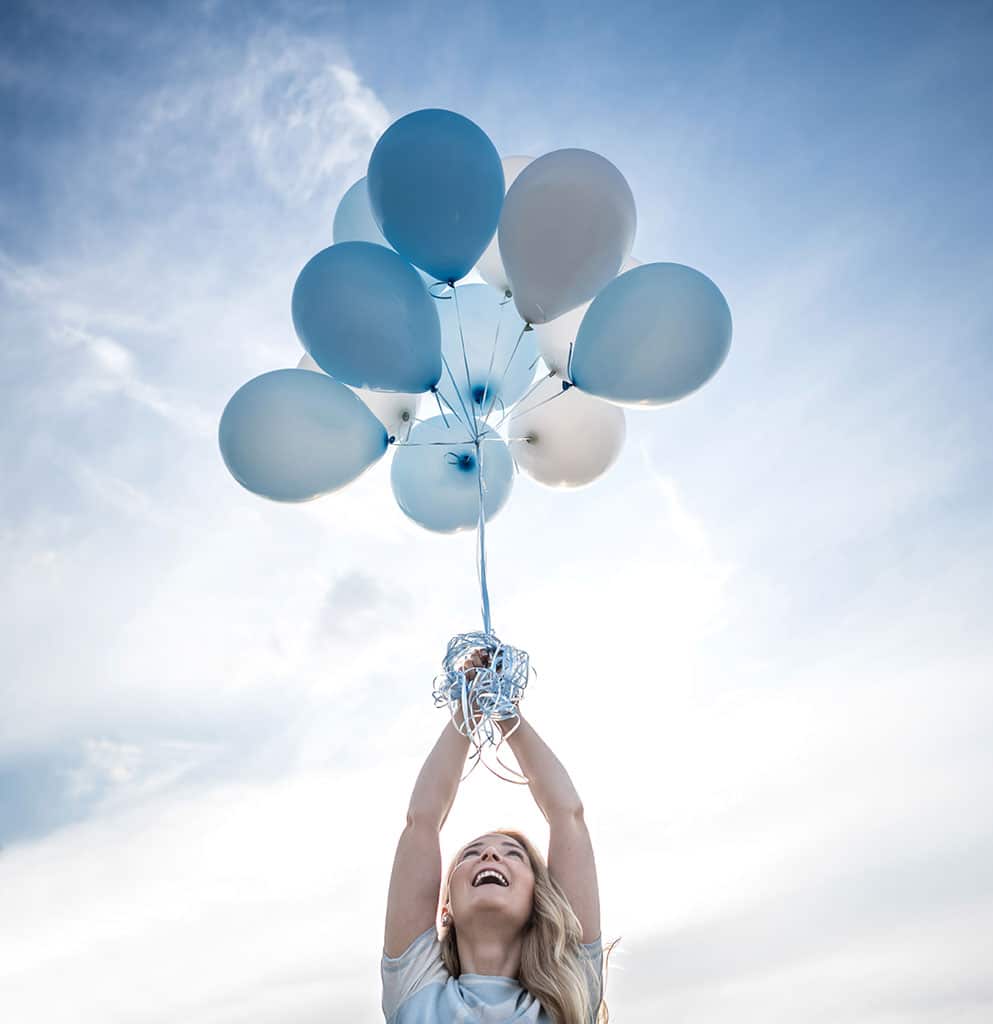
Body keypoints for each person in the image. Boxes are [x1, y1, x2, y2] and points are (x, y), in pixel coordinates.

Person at [382, 649, 613, 1023]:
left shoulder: (570, 991)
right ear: (446, 908)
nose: (490, 856)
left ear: (539, 896)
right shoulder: (414, 988)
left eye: (513, 854)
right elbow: (421, 823)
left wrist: (505, 710)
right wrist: (468, 707)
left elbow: (568, 817)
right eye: (471, 854)